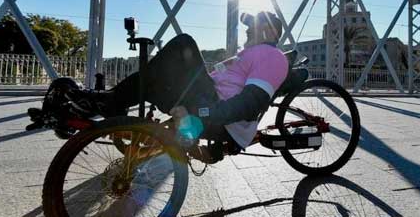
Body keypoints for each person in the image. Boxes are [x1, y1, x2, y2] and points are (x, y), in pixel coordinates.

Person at [70, 11, 289, 154]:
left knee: (184, 43)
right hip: (207, 100)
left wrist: (200, 111)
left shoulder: (273, 56)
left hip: (217, 113)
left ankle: (109, 103)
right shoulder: (247, 54)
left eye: (254, 25)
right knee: (152, 83)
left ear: (270, 31)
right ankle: (102, 104)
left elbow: (251, 104)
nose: (248, 29)